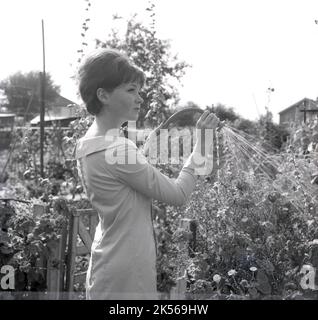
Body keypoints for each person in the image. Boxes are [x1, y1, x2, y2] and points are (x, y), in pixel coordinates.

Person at [75, 48, 220, 300]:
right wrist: (203, 143)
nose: (140, 98)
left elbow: (120, 182)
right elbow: (178, 194)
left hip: (105, 266)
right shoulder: (117, 148)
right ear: (103, 95)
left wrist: (141, 152)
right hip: (128, 274)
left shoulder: (88, 144)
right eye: (131, 90)